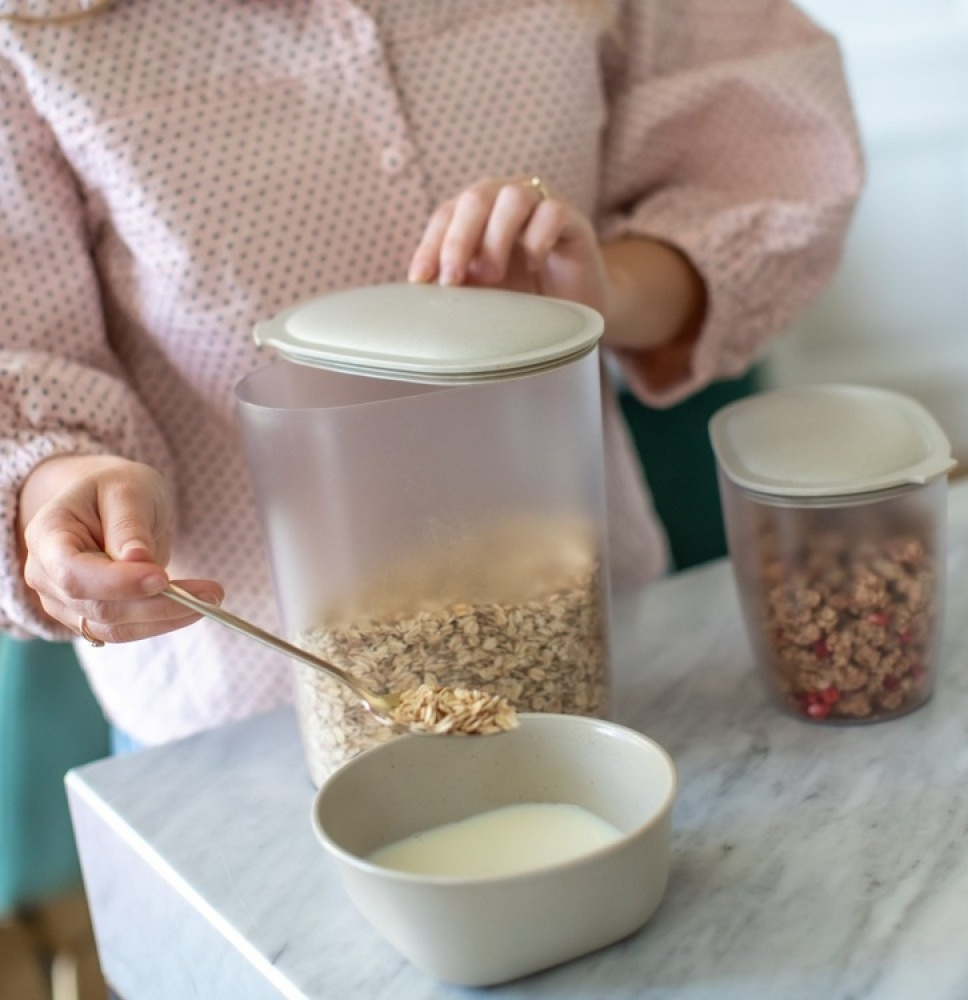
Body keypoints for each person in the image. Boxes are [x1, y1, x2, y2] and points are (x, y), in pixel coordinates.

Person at [0, 0, 864, 750]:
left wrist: (602, 289)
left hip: (587, 659)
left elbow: (764, 165)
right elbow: (23, 353)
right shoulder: (31, 35)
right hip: (248, 718)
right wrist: (59, 488)